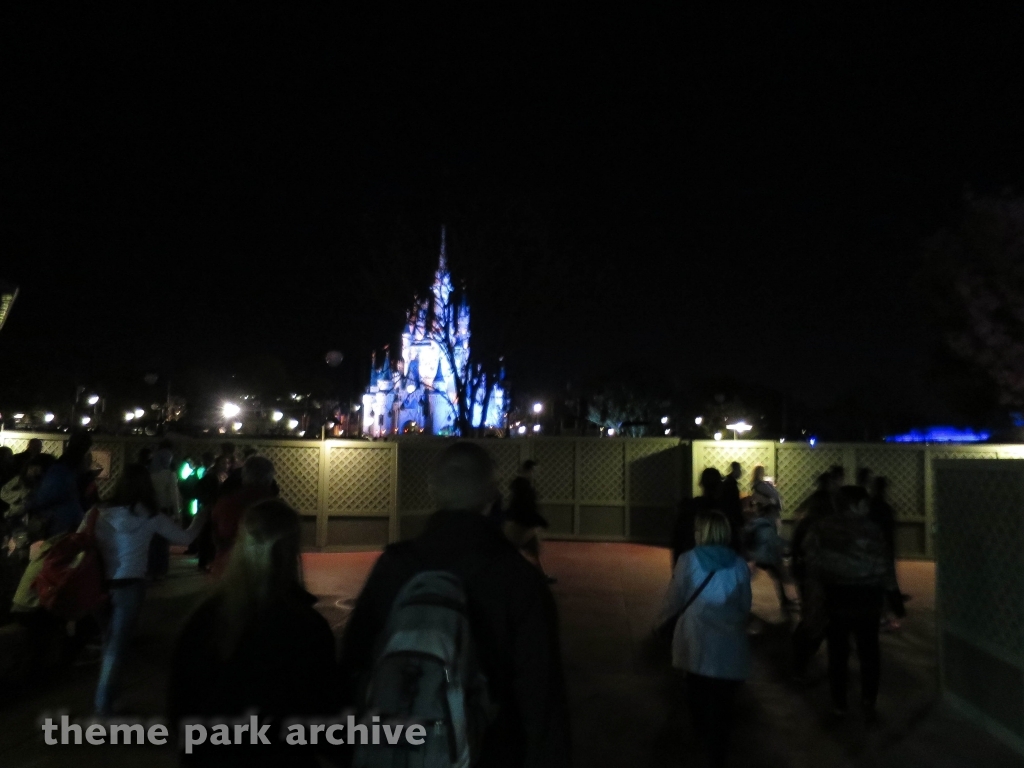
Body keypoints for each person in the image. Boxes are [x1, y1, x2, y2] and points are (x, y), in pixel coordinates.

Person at [338, 442, 571, 768]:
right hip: (487, 749)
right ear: (492, 496)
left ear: (432, 489)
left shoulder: (394, 566)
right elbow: (541, 695)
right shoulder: (518, 578)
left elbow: (356, 665)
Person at [168, 499, 337, 767]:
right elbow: (323, 716)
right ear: (291, 550)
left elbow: (179, 707)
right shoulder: (305, 627)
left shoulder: (203, 618)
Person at [92, 464, 208, 715]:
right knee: (118, 646)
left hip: (99, 583)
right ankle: (105, 703)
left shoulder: (99, 513)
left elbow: (81, 540)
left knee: (108, 641)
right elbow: (185, 538)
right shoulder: (151, 516)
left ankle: (110, 697)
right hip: (130, 584)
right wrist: (201, 517)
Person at [659, 511, 751, 768]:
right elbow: (745, 606)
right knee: (724, 706)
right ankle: (717, 753)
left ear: (705, 533)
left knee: (697, 693)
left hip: (697, 640)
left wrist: (661, 621)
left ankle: (701, 738)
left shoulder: (688, 560)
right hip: (729, 645)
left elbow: (675, 598)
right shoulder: (739, 563)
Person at [805, 485, 890, 722]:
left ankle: (839, 702)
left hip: (836, 596)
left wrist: (815, 598)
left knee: (838, 652)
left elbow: (812, 563)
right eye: (863, 504)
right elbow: (884, 565)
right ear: (855, 504)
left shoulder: (821, 527)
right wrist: (887, 597)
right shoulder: (872, 529)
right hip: (867, 597)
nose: (866, 508)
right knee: (869, 651)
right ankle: (868, 700)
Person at [790, 471, 839, 680]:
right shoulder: (823, 525)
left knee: (812, 619)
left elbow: (795, 547)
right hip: (817, 579)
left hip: (808, 576)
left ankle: (799, 662)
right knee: (816, 621)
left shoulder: (807, 520)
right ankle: (799, 666)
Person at [210, 456, 278, 577]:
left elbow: (217, 535)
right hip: (264, 574)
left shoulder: (226, 502)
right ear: (270, 477)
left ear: (244, 475)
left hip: (227, 569)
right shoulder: (278, 509)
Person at [23, 431, 93, 539]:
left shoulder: (59, 470)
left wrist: (29, 503)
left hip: (58, 525)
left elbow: (44, 497)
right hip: (73, 523)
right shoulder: (72, 471)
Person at [504, 460, 556, 583]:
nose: (537, 474)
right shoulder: (523, 486)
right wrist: (539, 520)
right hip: (521, 524)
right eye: (535, 470)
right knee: (516, 551)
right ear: (530, 470)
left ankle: (540, 576)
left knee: (532, 551)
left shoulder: (521, 485)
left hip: (524, 523)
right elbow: (524, 506)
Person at [869, 476, 906, 629]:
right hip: (884, 549)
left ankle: (883, 615)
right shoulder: (885, 507)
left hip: (873, 549)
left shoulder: (871, 505)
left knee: (877, 582)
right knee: (886, 582)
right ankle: (886, 615)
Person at [671, 467, 723, 566]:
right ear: (719, 485)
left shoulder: (690, 507)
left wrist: (677, 566)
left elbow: (678, 539)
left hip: (692, 560)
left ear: (701, 483)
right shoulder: (723, 510)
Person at [148, 443, 181, 580]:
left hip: (151, 510)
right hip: (165, 511)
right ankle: (161, 571)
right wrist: (177, 513)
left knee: (153, 541)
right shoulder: (169, 475)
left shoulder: (150, 473)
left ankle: (151, 569)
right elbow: (174, 495)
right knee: (163, 542)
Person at [720, 462, 745, 551]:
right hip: (732, 519)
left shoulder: (727, 482)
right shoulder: (731, 484)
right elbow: (733, 504)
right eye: (739, 470)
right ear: (735, 470)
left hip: (728, 518)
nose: (740, 472)